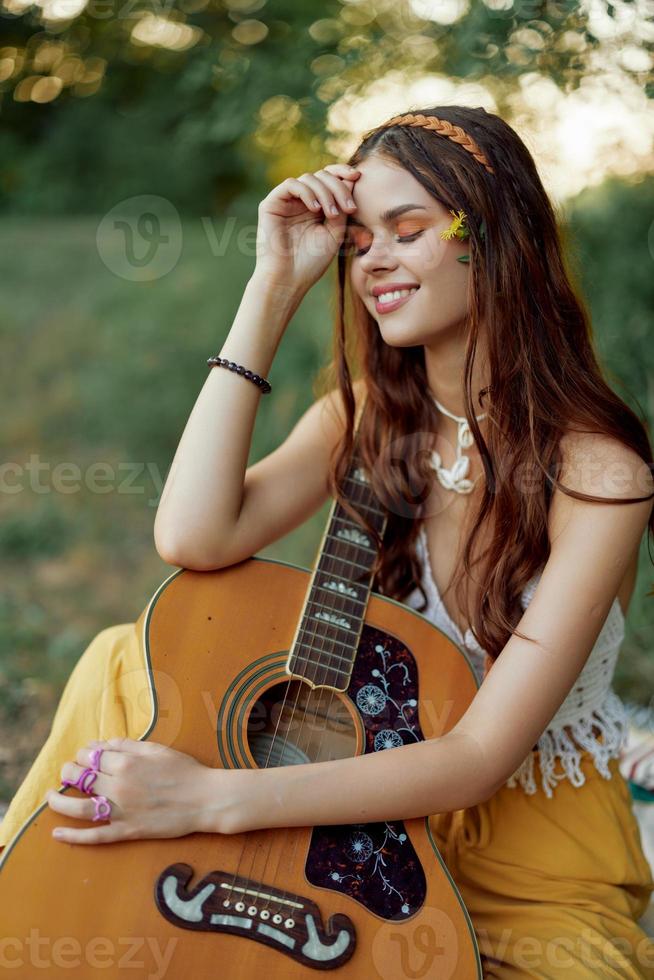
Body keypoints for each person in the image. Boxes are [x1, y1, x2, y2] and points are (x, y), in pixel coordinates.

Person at [1, 105, 653, 977]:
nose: (373, 261)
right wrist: (271, 286)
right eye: (357, 243)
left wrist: (210, 802)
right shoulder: (363, 422)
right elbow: (192, 536)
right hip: (347, 810)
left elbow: (473, 758)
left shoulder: (598, 474)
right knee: (122, 660)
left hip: (526, 851)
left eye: (408, 230)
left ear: (494, 241)